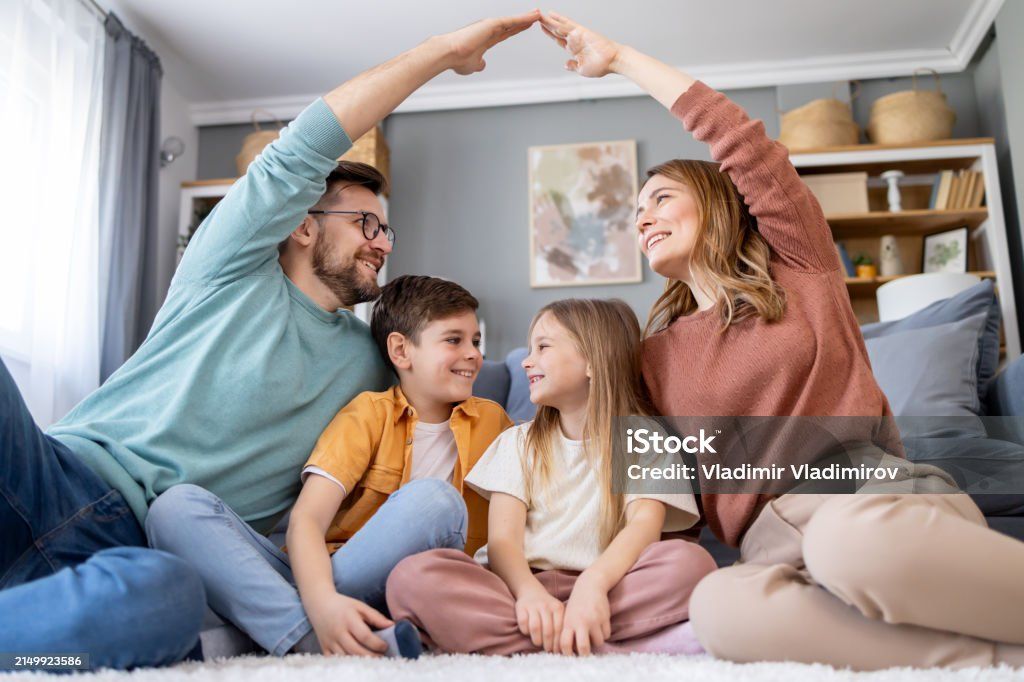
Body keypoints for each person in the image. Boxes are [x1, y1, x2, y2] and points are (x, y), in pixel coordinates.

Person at [0, 11, 540, 670]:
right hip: (51, 478)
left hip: (141, 549)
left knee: (168, 602)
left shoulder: (374, 363)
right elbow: (305, 144)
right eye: (366, 223)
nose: (381, 243)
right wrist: (441, 52)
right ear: (303, 226)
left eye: (387, 231)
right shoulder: (229, 268)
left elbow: (460, 384)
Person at [538, 11, 1024, 670]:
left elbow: (741, 141)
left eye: (660, 199)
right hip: (772, 549)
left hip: (873, 505)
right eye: (636, 212)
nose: (643, 218)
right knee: (718, 608)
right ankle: (992, 657)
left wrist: (619, 57)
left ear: (716, 203)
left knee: (848, 545)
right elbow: (647, 483)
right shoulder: (652, 358)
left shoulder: (800, 267)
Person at [146, 275, 512, 658]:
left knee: (436, 502)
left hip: (414, 590)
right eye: (454, 340)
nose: (473, 354)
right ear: (401, 350)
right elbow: (307, 520)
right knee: (174, 508)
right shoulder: (367, 415)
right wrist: (322, 603)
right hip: (323, 575)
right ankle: (319, 634)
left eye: (475, 342)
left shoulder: (496, 424)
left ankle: (283, 634)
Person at [386, 299, 716, 655]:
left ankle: (548, 635)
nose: (527, 361)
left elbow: (644, 526)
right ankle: (601, 640)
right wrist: (529, 594)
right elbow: (503, 542)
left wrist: (593, 585)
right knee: (411, 577)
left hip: (610, 585)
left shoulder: (645, 439)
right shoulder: (517, 442)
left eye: (542, 347)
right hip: (517, 588)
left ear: (593, 361)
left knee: (691, 565)